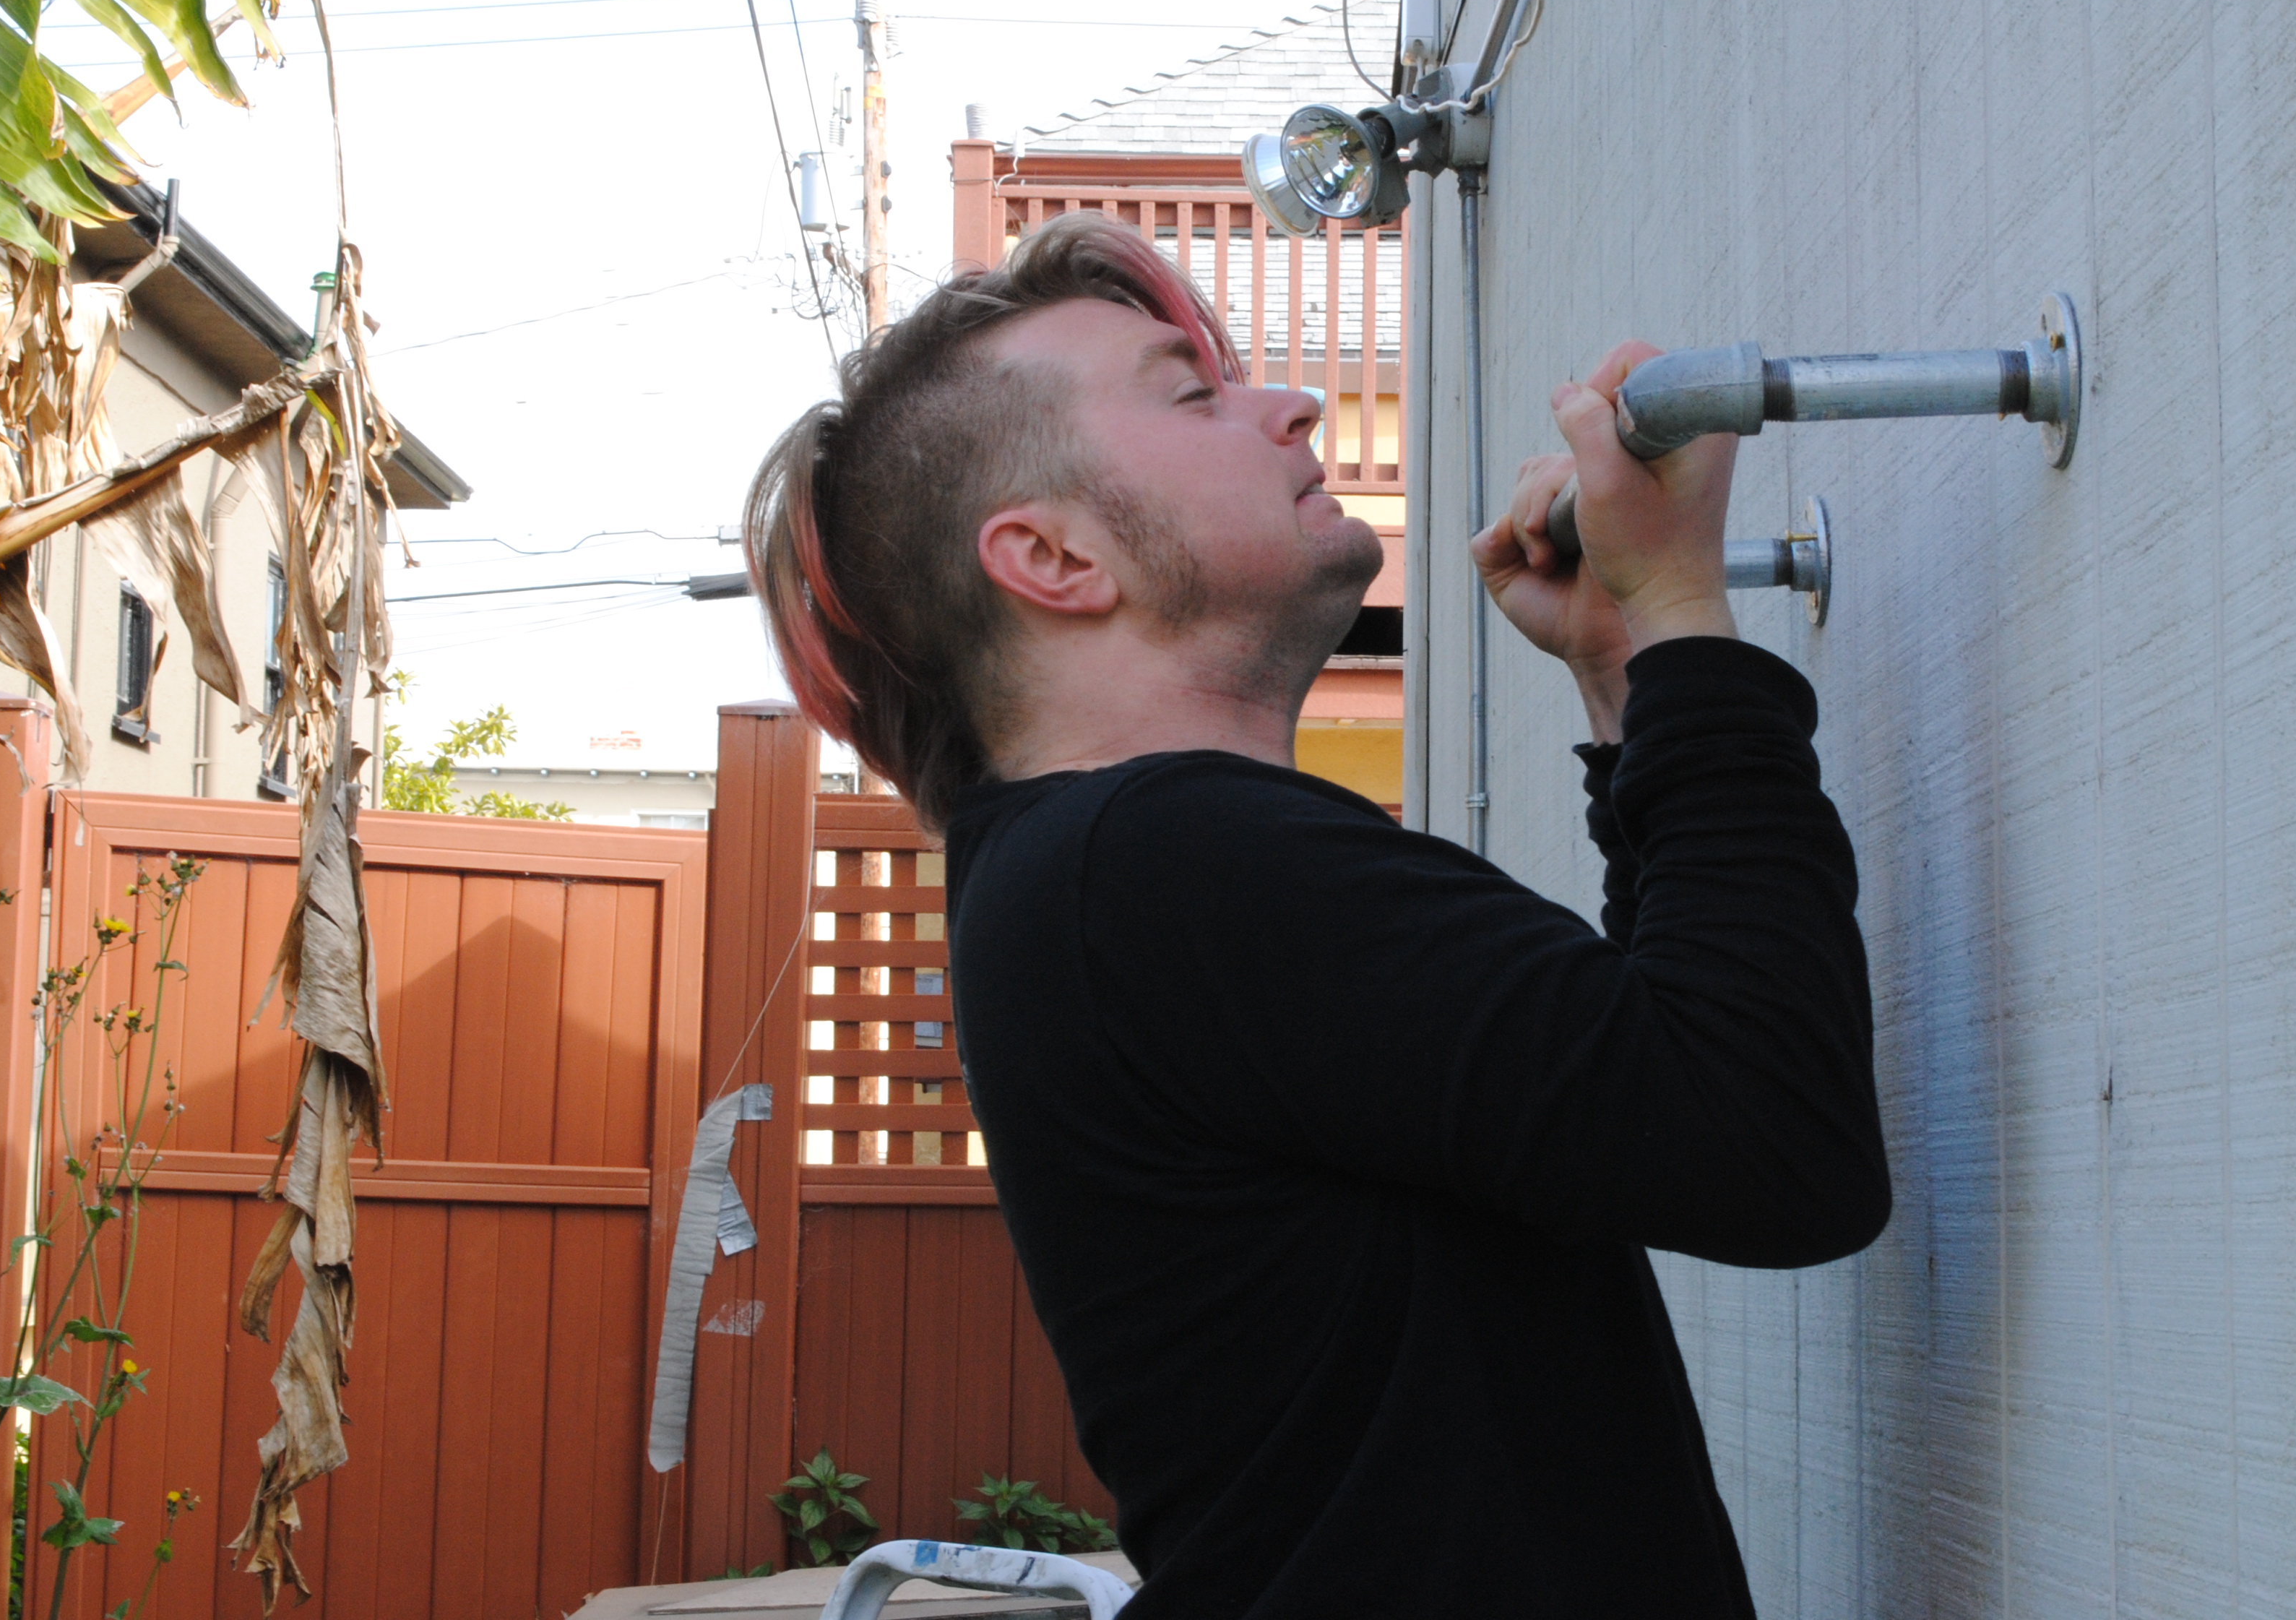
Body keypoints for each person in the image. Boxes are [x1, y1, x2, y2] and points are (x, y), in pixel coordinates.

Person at [745, 213, 1889, 1618]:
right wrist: (1678, 609)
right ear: (1051, 559)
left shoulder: (1085, 881)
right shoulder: (1173, 860)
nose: (1286, 404)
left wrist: (1626, 671)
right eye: (1188, 391)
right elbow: (1771, 1142)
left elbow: (1639, 1099)